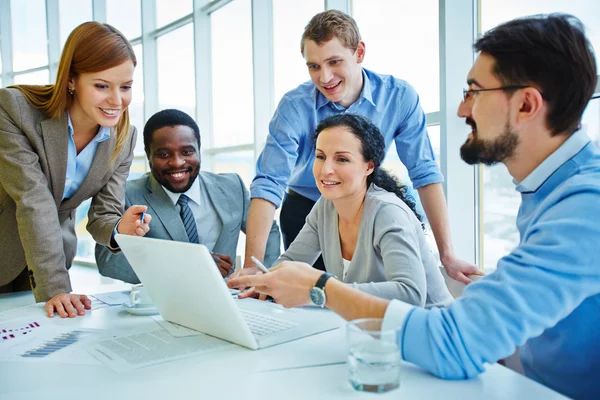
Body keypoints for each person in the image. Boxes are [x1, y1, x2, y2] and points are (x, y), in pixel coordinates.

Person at [229, 14, 600, 399]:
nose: (461, 110)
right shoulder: (550, 191)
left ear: (526, 104)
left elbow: (452, 343)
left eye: (474, 91)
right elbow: (269, 183)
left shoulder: (584, 208)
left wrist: (320, 287)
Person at [244, 9, 479, 284]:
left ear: (359, 53)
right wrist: (251, 266)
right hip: (307, 207)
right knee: (309, 301)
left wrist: (447, 255)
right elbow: (269, 184)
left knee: (366, 296)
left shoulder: (399, 97)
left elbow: (424, 174)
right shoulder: (294, 106)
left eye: (334, 62)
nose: (325, 77)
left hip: (366, 204)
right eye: (314, 66)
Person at [0, 22, 150, 318]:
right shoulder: (14, 109)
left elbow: (102, 215)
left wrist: (120, 228)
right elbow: (33, 199)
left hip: (52, 257)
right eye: (101, 86)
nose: (117, 101)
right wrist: (56, 286)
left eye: (126, 87)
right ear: (71, 80)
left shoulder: (124, 137)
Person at [241, 113, 451, 306]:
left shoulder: (387, 212)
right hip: (371, 331)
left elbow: (411, 294)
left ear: (368, 167)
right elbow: (291, 261)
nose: (326, 170)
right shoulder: (326, 206)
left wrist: (319, 288)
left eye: (342, 159)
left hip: (431, 332)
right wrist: (261, 281)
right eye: (320, 156)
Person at [95, 109, 281, 282]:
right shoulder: (128, 195)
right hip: (161, 306)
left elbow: (268, 230)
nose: (177, 163)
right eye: (164, 154)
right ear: (148, 155)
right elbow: (108, 261)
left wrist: (262, 278)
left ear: (199, 149)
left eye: (187, 152)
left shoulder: (232, 187)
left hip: (229, 299)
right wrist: (189, 265)